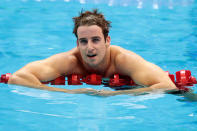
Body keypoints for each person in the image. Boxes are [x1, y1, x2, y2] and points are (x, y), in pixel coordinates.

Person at [8, 9, 178, 96]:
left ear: (107, 41)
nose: (90, 47)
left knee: (186, 95)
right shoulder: (70, 60)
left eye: (95, 40)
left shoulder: (123, 60)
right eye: (84, 41)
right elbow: (18, 78)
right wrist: (71, 93)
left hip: (125, 88)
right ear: (77, 43)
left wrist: (116, 96)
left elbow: (167, 86)